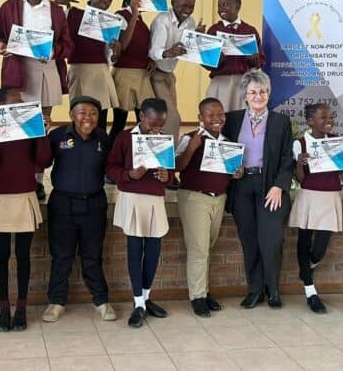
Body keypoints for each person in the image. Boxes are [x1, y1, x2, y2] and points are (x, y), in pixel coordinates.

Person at [0, 0, 74, 200]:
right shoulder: (10, 7)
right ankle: (16, 174)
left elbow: (68, 45)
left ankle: (37, 179)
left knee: (41, 126)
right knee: (18, 126)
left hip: (45, 68)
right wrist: (0, 46)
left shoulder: (56, 11)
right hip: (18, 69)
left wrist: (53, 52)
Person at [0, 87, 52, 331]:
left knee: (23, 255)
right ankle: (4, 307)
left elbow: (44, 161)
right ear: (0, 109)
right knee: (1, 256)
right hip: (1, 196)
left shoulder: (30, 129)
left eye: (22, 103)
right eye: (15, 104)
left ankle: (21, 307)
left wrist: (42, 133)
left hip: (25, 196)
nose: (21, 107)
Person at [221, 70, 293, 310]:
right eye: (253, 92)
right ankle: (255, 290)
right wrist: (232, 170)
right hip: (242, 186)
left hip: (269, 186)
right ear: (245, 95)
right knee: (249, 240)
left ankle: (273, 290)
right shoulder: (231, 120)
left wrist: (279, 186)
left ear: (269, 94)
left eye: (262, 91)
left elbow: (286, 159)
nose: (258, 96)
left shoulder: (281, 122)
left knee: (271, 240)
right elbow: (223, 152)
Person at [41, 96, 117, 323]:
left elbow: (112, 167)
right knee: (61, 256)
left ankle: (101, 301)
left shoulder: (103, 138)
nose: (88, 118)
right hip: (63, 203)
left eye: (93, 113)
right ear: (72, 115)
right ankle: (56, 302)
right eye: (82, 112)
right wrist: (42, 136)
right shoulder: (57, 136)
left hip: (94, 203)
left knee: (92, 255)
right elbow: (43, 162)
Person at [106, 98, 173, 328]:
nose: (156, 129)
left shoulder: (163, 140)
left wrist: (168, 178)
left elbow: (170, 173)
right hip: (132, 198)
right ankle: (137, 302)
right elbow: (111, 168)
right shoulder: (125, 138)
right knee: (135, 249)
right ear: (141, 116)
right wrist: (128, 175)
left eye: (160, 126)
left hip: (155, 199)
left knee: (154, 250)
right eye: (152, 124)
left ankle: (146, 299)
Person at [175, 97, 243, 317]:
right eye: (210, 115)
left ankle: (203, 291)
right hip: (195, 198)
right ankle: (197, 297)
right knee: (199, 250)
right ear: (200, 118)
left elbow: (227, 172)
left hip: (218, 199)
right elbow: (176, 166)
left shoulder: (227, 142)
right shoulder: (190, 138)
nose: (217, 119)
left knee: (207, 248)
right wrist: (191, 149)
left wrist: (236, 173)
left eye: (220, 114)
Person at [289, 103, 343, 314]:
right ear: (310, 121)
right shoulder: (300, 144)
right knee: (304, 240)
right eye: (323, 118)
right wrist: (299, 163)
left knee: (319, 248)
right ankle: (310, 291)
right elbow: (300, 179)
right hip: (309, 196)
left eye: (331, 118)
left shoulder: (338, 143)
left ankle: (308, 266)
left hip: (330, 198)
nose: (329, 121)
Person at [148, 0, 205, 149]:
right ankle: (168, 157)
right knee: (172, 118)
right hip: (155, 75)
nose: (187, 10)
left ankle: (164, 155)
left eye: (191, 6)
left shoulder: (190, 22)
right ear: (173, 2)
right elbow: (153, 51)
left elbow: (189, 48)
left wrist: (198, 36)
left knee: (166, 118)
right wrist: (167, 52)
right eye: (183, 6)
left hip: (169, 75)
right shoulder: (162, 20)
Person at [64, 0, 122, 131]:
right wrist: (54, 3)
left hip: (100, 72)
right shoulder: (73, 14)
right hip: (79, 71)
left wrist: (115, 52)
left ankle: (100, 149)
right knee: (79, 115)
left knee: (100, 117)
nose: (106, 0)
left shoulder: (110, 22)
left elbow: (109, 57)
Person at [111, 0, 155, 147]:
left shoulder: (141, 20)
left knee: (143, 120)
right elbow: (124, 44)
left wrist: (151, 60)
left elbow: (144, 46)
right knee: (119, 121)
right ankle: (113, 156)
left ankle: (141, 154)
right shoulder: (121, 16)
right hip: (124, 73)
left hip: (142, 75)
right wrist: (134, 15)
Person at [205, 0, 265, 112]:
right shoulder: (214, 30)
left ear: (237, 7)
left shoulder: (249, 30)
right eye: (219, 6)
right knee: (219, 115)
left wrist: (254, 60)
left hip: (243, 82)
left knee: (241, 118)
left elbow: (260, 60)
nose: (221, 9)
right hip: (220, 82)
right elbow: (206, 61)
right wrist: (217, 59)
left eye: (225, 5)